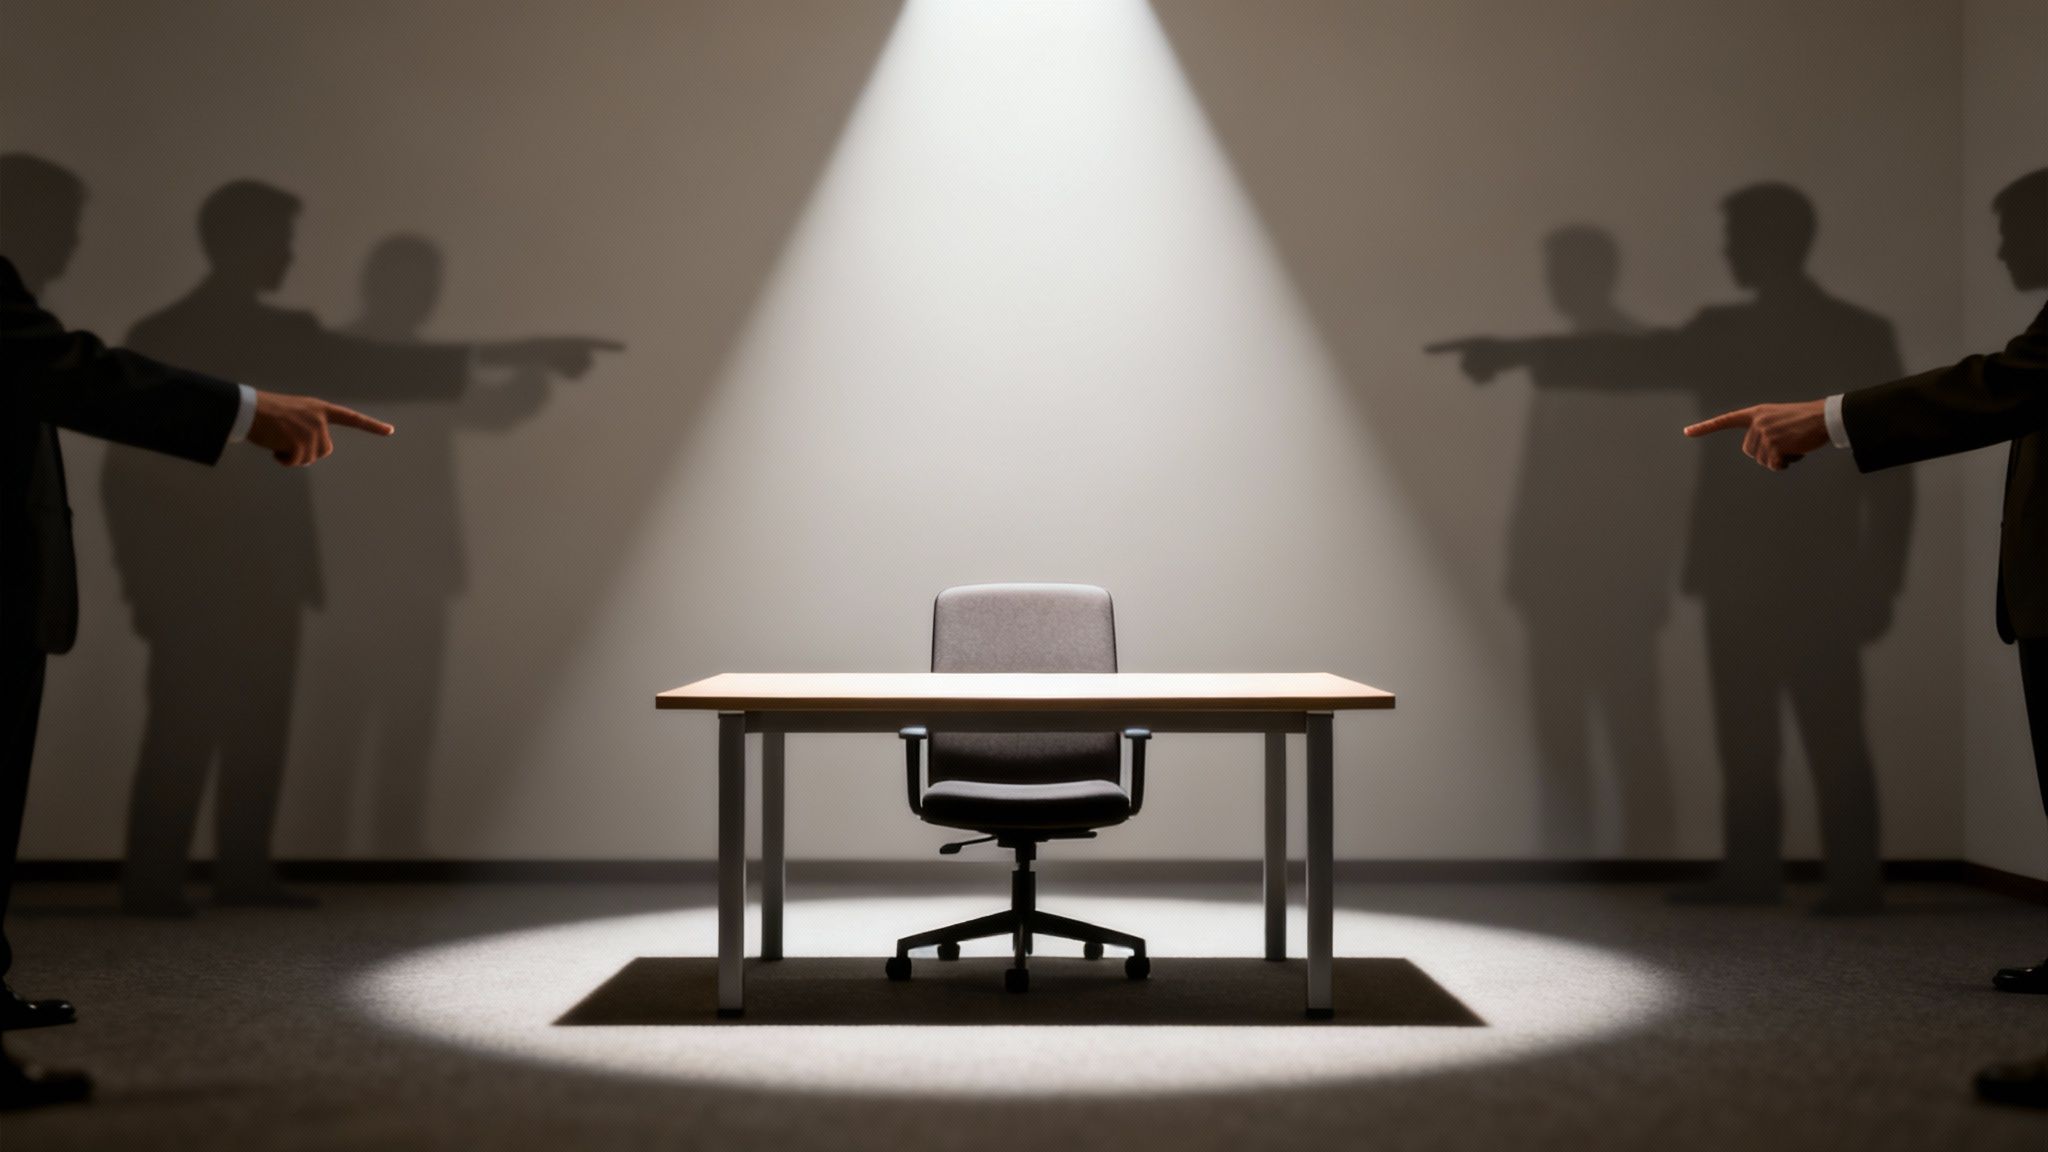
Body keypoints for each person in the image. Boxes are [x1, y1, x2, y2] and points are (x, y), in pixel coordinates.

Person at [0, 153, 394, 1111]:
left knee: (251, 728)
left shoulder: (271, 326)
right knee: (182, 730)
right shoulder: (166, 329)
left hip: (247, 584)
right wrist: (251, 412)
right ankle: (152, 884)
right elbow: (72, 389)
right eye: (61, 223)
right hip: (183, 587)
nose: (70, 243)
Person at [105, 181, 616, 915]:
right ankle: (203, 873)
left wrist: (140, 579)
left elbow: (128, 476)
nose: (289, 254)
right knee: (222, 722)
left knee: (236, 721)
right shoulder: (261, 337)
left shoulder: (177, 331)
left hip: (261, 573)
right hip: (250, 572)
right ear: (241, 242)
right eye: (280, 238)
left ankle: (206, 872)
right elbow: (134, 474)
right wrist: (528, 354)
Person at [1435, 184, 1913, 912]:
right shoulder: (1856, 331)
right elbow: (1892, 477)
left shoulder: (1738, 333)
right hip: (1808, 569)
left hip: (1749, 568)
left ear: (1762, 241)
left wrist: (1516, 352)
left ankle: (1769, 872)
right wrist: (1880, 576)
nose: (1722, 250)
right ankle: (1840, 877)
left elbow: (1634, 363)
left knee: (1765, 728)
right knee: (1813, 726)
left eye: (1731, 236)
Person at [1685, 168, 2048, 1109]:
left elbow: (2005, 388)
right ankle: (1758, 870)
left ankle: (1854, 883)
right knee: (1750, 733)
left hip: (1823, 579)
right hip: (1752, 579)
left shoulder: (1853, 326)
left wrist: (1827, 421)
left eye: (2014, 229)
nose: (2003, 248)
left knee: (1832, 734)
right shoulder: (1722, 326)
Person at [1426, 227, 1683, 855]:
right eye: (1554, 271)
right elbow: (1541, 476)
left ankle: (1635, 861)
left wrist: (1651, 574)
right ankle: (1574, 865)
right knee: (1569, 732)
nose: (1555, 284)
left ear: (1599, 272)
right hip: (1560, 580)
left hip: (1612, 578)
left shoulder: (1633, 357)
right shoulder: (1575, 358)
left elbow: (1661, 481)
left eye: (1563, 270)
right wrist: (1523, 563)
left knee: (1626, 729)